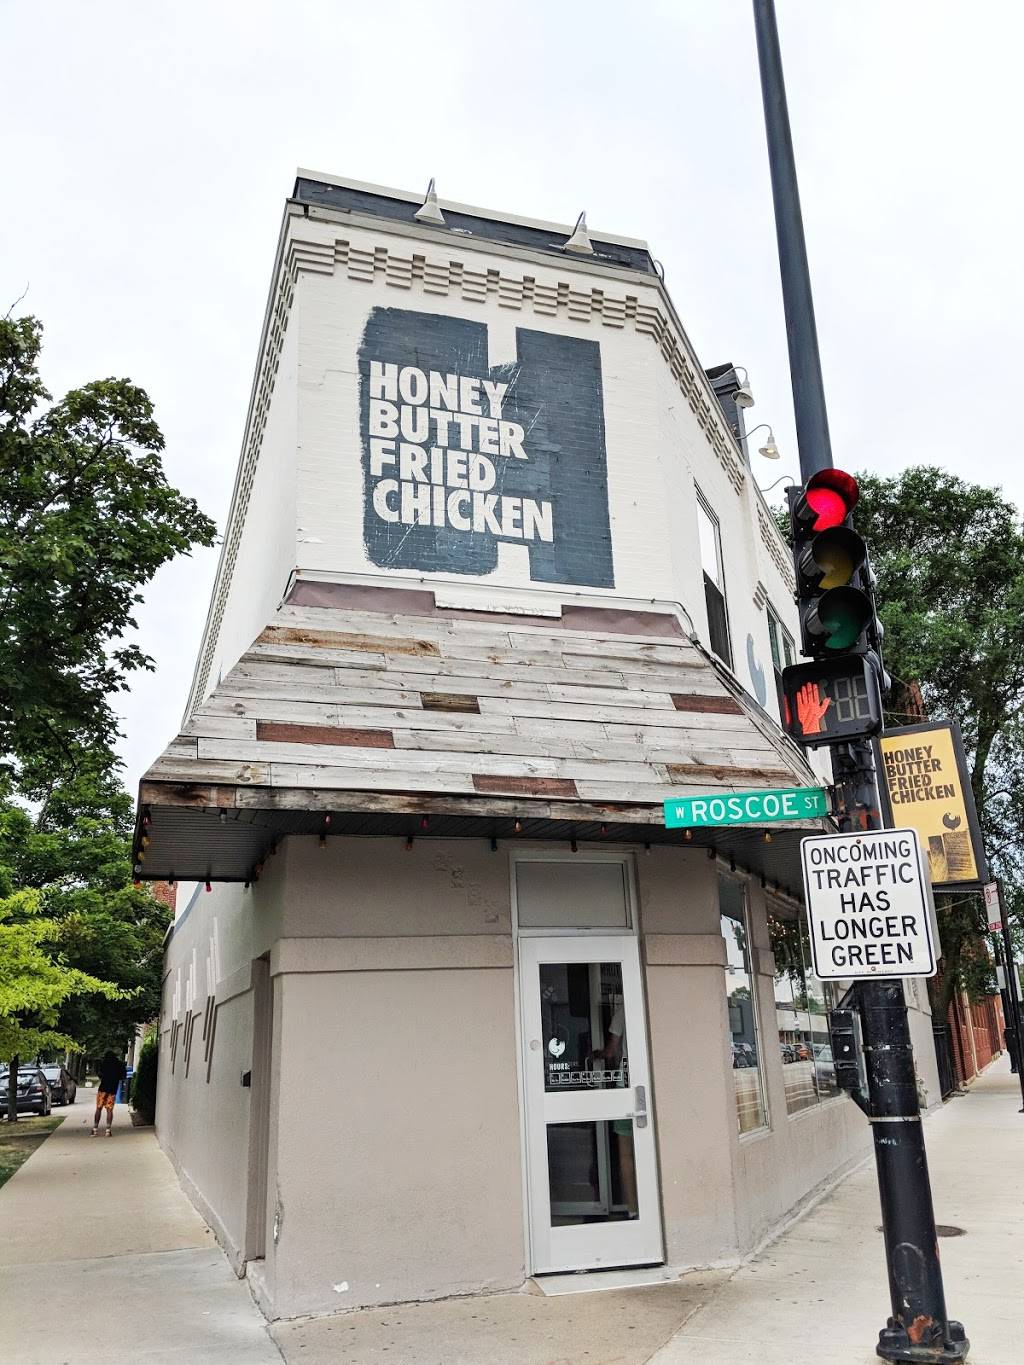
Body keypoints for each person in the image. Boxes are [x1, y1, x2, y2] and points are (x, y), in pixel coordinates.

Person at [92, 1051, 126, 1136]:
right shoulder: (119, 1064)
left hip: (102, 1089)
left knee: (98, 1108)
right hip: (112, 1090)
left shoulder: (104, 1063)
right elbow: (123, 1076)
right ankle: (108, 1130)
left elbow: (100, 1075)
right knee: (109, 1110)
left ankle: (95, 1129)